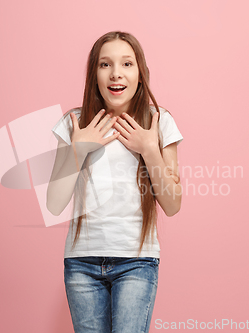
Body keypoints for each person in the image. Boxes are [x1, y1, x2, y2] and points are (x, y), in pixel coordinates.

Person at [46, 31, 184, 333]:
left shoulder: (158, 122)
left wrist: (149, 148)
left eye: (127, 64)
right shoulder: (75, 122)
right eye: (105, 64)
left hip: (137, 262)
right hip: (81, 263)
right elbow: (54, 204)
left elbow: (173, 204)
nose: (116, 73)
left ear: (140, 73)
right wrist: (78, 149)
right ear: (94, 73)